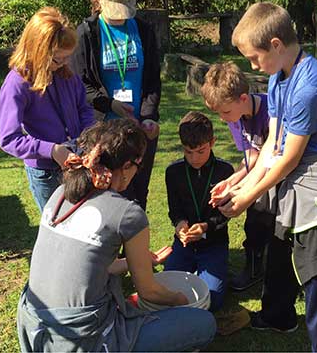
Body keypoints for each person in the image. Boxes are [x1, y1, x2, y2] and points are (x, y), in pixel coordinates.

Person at [213, 2, 317, 352]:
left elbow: (290, 157)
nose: (252, 66)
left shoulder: (311, 84)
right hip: (291, 175)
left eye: (254, 58)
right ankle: (278, 316)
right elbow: (272, 147)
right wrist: (239, 185)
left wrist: (246, 197)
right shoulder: (277, 78)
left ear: (276, 45)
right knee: (278, 250)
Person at [17, 119, 216, 352]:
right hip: (82, 340)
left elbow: (90, 265)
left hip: (34, 328)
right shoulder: (128, 214)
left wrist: (137, 262)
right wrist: (180, 301)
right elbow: (148, 291)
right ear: (126, 167)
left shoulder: (60, 194)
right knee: (204, 324)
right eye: (138, 164)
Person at [72, 0, 160, 211]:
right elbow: (81, 84)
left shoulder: (143, 30)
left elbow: (153, 80)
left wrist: (147, 117)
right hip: (103, 132)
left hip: (139, 131)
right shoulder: (86, 33)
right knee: (104, 197)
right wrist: (110, 104)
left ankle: (133, 250)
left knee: (136, 196)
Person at [0, 7, 95, 212]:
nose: (64, 64)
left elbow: (83, 109)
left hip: (77, 163)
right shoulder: (17, 84)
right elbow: (9, 139)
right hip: (46, 173)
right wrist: (52, 150)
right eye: (57, 59)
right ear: (38, 52)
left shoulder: (66, 74)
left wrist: (88, 140)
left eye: (68, 57)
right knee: (58, 229)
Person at [201, 62, 273, 291]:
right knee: (255, 218)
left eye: (225, 111)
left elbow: (273, 158)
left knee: (265, 212)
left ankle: (276, 270)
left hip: (282, 173)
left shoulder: (272, 111)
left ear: (243, 98)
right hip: (261, 173)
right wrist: (233, 180)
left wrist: (244, 190)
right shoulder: (236, 116)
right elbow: (252, 155)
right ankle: (254, 268)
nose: (223, 118)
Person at [163, 111, 234, 312]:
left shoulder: (225, 171)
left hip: (214, 243)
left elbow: (226, 214)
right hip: (184, 244)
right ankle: (195, 272)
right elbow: (174, 209)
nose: (194, 158)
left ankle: (211, 272)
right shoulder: (173, 172)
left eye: (201, 151)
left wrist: (206, 227)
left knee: (213, 300)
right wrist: (180, 225)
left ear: (212, 142)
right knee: (168, 291)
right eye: (188, 152)